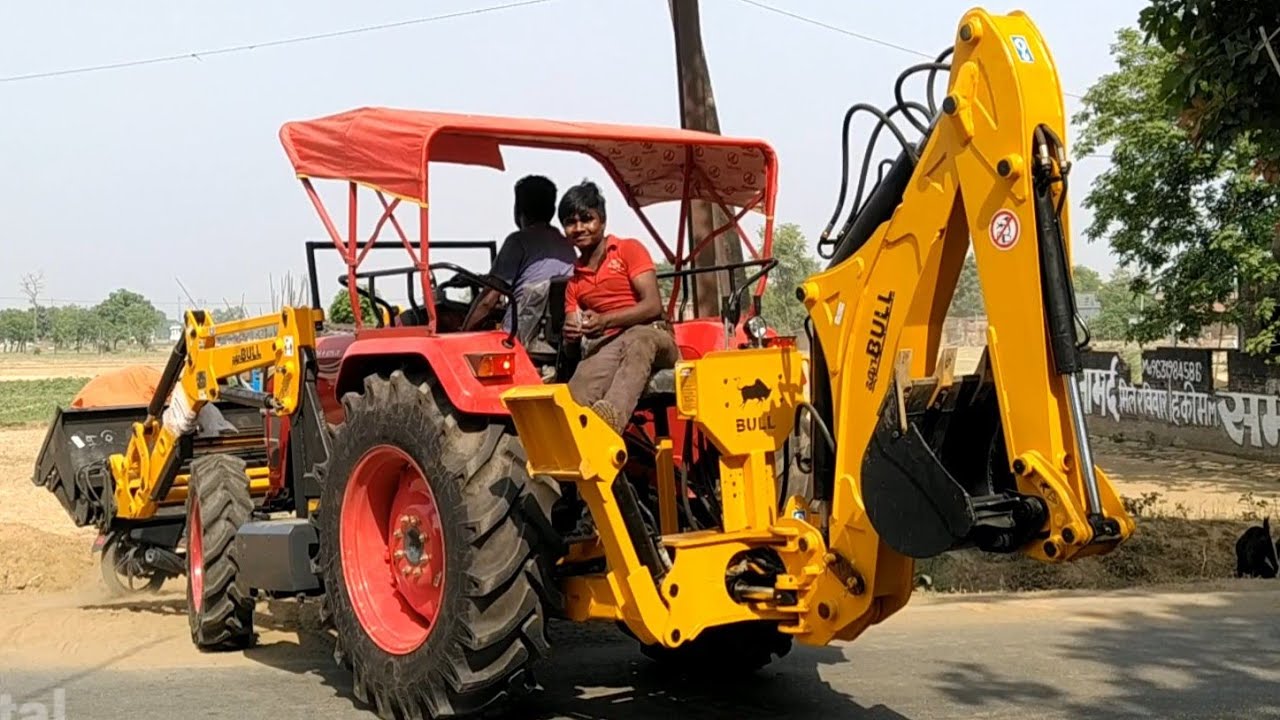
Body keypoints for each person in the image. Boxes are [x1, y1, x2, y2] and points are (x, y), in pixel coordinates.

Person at [559, 180, 679, 433]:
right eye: (571, 222)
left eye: (587, 219)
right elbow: (571, 341)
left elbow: (653, 305)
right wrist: (570, 335)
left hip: (655, 336)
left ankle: (610, 420)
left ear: (602, 220)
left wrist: (604, 321)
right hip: (611, 344)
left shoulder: (628, 250)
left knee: (638, 337)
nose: (579, 228)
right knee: (580, 384)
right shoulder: (574, 283)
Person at [461, 175, 576, 352]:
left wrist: (461, 333)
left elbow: (488, 301)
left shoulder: (517, 241)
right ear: (552, 210)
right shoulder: (566, 244)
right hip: (553, 339)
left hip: (516, 338)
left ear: (518, 209)